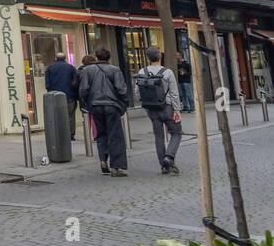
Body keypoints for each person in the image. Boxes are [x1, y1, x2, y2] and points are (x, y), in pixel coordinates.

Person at [78, 47, 130, 176]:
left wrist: (85, 103)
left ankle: (103, 160)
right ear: (109, 57)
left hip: (95, 105)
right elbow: (121, 89)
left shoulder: (88, 70)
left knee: (101, 134)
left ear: (96, 57)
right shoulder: (115, 70)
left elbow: (83, 89)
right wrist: (124, 103)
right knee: (115, 135)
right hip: (112, 105)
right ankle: (116, 166)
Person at [136, 46, 182, 176]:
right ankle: (169, 157)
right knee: (176, 132)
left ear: (148, 58)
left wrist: (145, 101)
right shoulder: (167, 72)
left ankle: (163, 166)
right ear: (160, 56)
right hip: (167, 107)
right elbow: (174, 93)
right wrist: (177, 110)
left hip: (151, 108)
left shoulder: (141, 71)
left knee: (158, 137)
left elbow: (137, 92)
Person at [43, 50, 80, 139]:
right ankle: (70, 134)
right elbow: (75, 83)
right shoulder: (71, 68)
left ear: (56, 58)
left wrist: (50, 91)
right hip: (69, 95)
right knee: (70, 116)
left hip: (54, 96)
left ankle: (59, 134)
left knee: (57, 116)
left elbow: (47, 84)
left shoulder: (50, 68)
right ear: (65, 58)